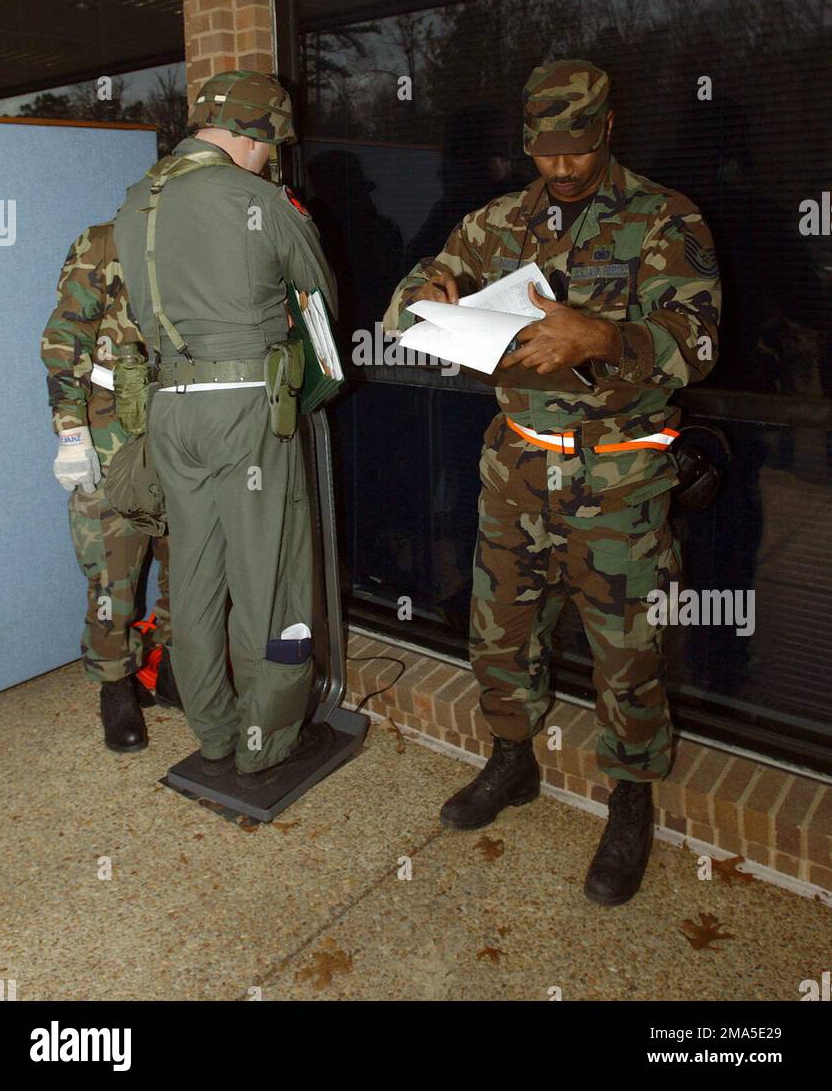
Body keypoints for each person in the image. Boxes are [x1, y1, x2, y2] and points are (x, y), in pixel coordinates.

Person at [383, 59, 721, 905]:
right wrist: (427, 291)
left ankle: (631, 799)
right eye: (544, 150)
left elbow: (699, 344)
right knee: (500, 633)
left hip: (618, 475)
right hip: (515, 468)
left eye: (574, 149)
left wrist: (602, 339)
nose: (560, 167)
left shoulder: (664, 218)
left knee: (628, 651)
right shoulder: (497, 220)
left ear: (606, 130)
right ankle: (511, 761)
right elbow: (403, 313)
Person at [113, 70, 337, 788]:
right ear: (249, 135)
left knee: (199, 577)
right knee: (268, 577)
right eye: (270, 144)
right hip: (246, 406)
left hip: (171, 408)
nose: (271, 157)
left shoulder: (135, 204)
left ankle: (212, 733)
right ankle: (264, 741)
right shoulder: (256, 200)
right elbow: (319, 301)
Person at [41, 222, 180, 753]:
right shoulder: (107, 240)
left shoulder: (204, 231)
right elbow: (64, 337)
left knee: (187, 557)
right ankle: (114, 683)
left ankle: (173, 667)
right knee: (112, 569)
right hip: (111, 424)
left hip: (188, 420)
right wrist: (71, 429)